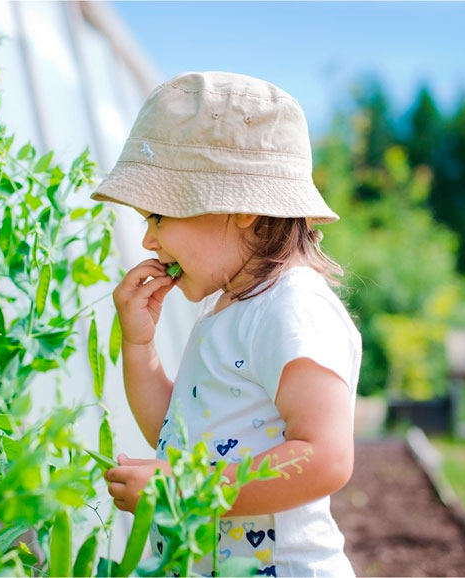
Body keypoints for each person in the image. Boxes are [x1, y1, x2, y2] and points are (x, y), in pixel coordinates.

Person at [90, 72, 362, 577]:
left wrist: (185, 491)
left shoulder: (292, 309)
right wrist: (139, 344)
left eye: (158, 217)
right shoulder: (228, 310)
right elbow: (173, 434)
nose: (149, 241)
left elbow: (325, 458)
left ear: (238, 207)